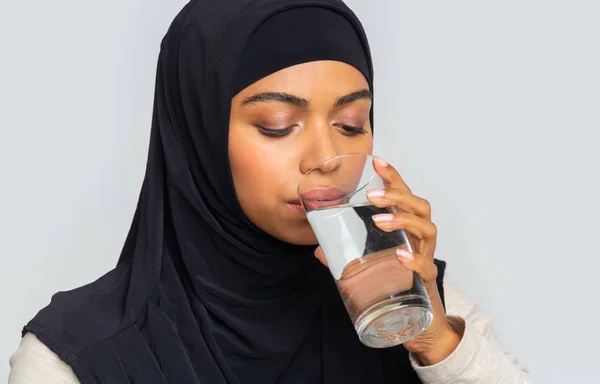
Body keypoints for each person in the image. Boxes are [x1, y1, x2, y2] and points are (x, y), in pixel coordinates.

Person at [8, 0, 532, 383]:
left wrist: (436, 340)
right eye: (279, 125)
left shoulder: (416, 300)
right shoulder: (77, 357)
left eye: (351, 124)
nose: (324, 160)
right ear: (199, 135)